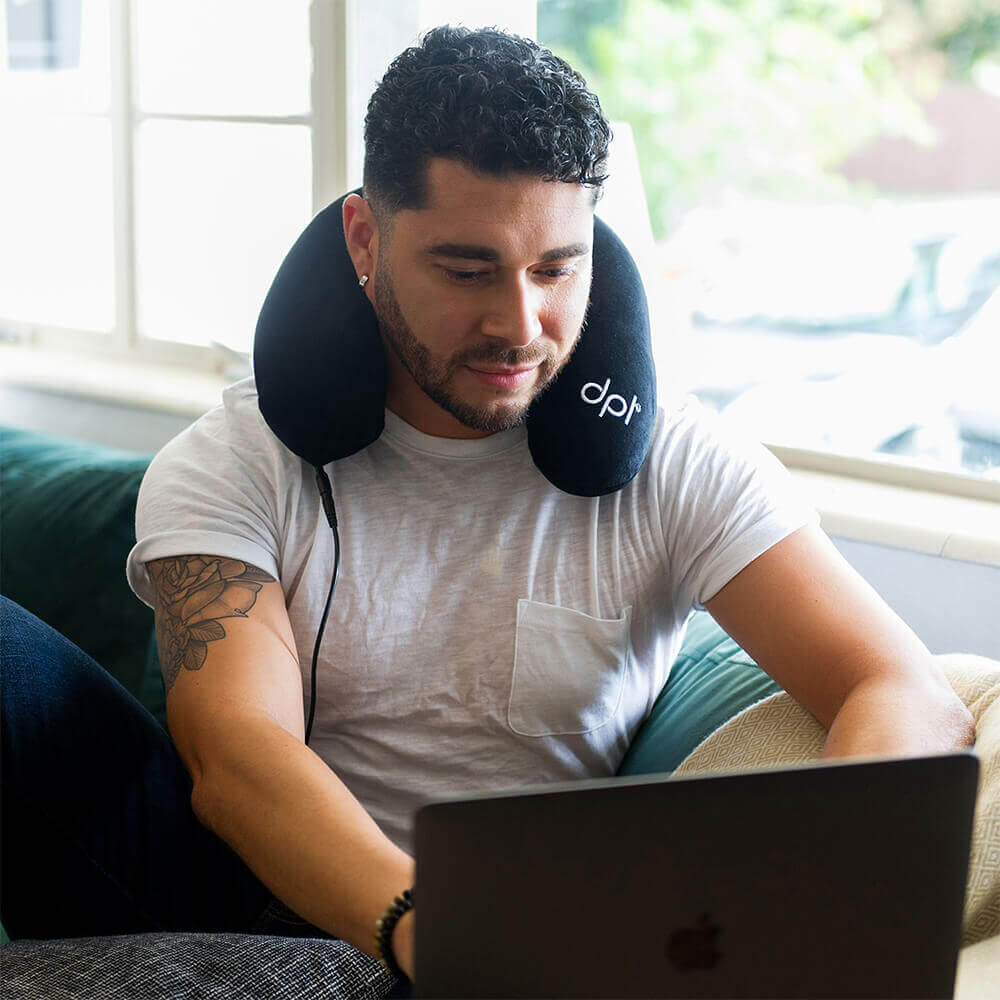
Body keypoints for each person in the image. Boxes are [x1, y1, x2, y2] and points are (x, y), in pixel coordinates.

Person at [0, 24, 975, 990]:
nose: (519, 325)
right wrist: (441, 933)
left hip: (532, 937)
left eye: (556, 268)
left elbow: (900, 689)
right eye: (466, 271)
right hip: (253, 890)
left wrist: (815, 897)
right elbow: (237, 754)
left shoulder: (679, 462)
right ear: (365, 240)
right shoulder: (237, 458)